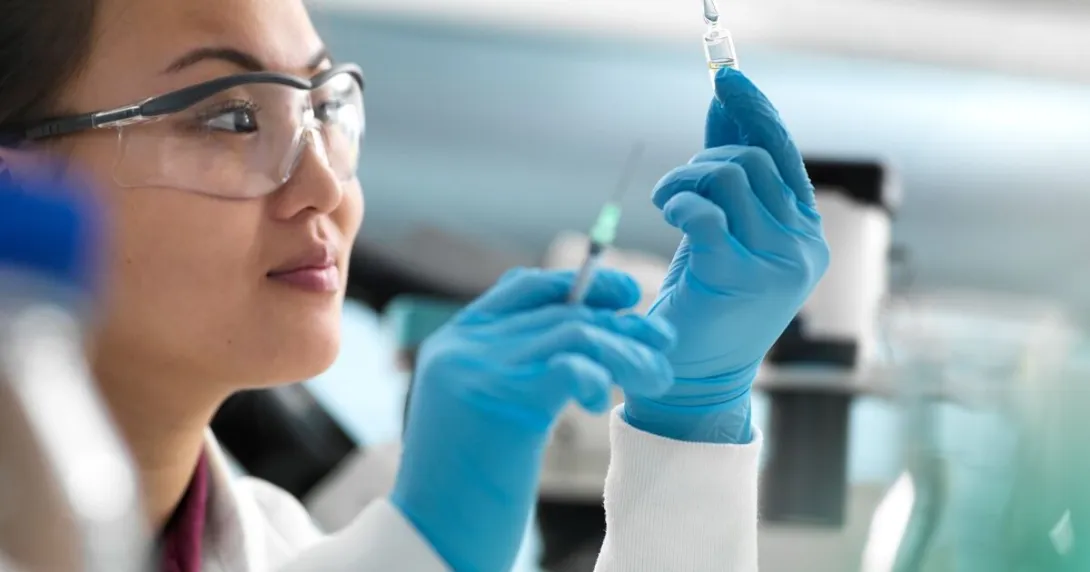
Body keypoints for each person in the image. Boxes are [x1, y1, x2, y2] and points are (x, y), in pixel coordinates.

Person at [0, 0, 829, 570]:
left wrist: (686, 422)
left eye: (325, 106)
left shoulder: (278, 542)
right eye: (229, 117)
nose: (323, 184)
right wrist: (424, 542)